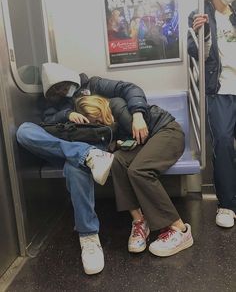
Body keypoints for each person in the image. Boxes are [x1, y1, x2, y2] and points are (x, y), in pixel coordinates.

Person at [16, 62, 150, 274]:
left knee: (74, 168)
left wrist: (138, 113)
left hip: (93, 142)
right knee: (24, 131)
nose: (62, 92)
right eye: (56, 91)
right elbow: (47, 121)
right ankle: (86, 155)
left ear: (71, 80)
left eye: (63, 86)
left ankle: (88, 236)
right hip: (63, 144)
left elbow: (129, 89)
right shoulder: (54, 102)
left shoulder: (94, 85)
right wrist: (66, 115)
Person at [75, 95, 194, 257]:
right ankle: (139, 221)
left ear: (101, 106)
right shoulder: (106, 125)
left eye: (97, 116)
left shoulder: (117, 106)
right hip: (147, 142)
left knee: (138, 170)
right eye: (94, 121)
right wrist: (118, 143)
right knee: (116, 161)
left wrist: (120, 141)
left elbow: (140, 133)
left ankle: (180, 229)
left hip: (167, 132)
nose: (99, 122)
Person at [188, 0, 236, 228]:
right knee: (224, 141)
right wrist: (203, 35)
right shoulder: (201, 13)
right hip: (220, 88)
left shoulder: (235, 12)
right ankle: (227, 204)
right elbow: (197, 54)